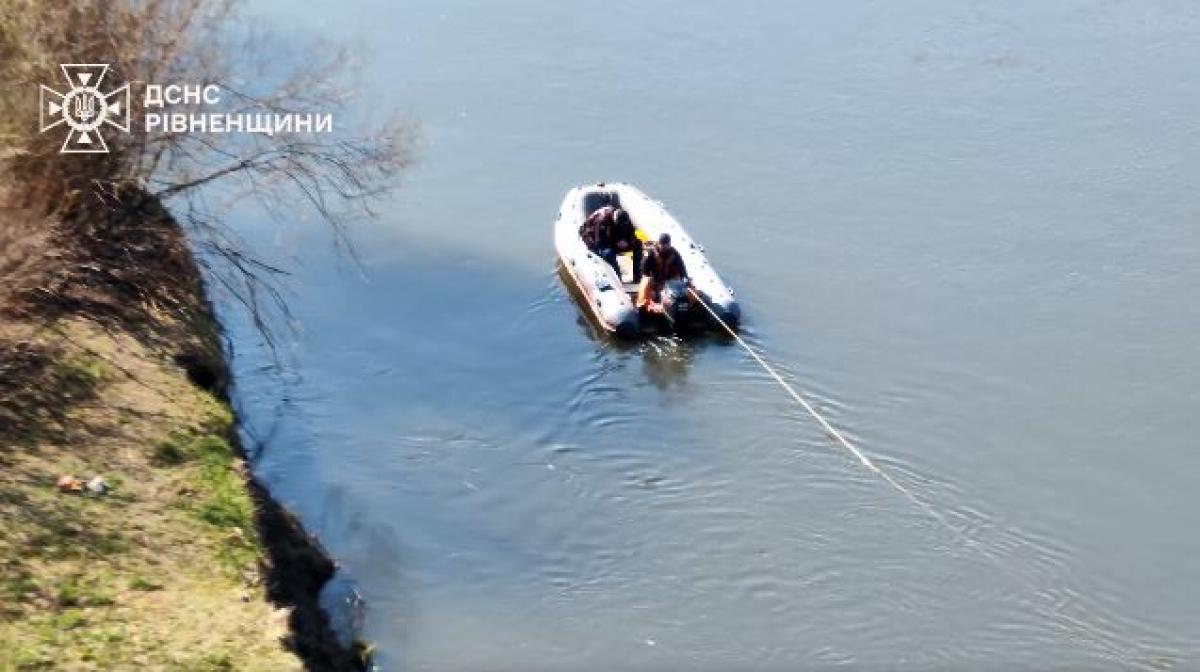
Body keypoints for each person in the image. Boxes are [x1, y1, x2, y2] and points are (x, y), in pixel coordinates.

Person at [636, 233, 689, 315]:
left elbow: (681, 268)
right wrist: (653, 284)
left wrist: (685, 279)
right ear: (658, 243)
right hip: (654, 281)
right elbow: (644, 271)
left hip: (668, 282)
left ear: (669, 244)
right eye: (662, 244)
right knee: (646, 280)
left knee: (681, 281)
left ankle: (678, 305)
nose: (664, 246)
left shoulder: (674, 253)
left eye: (666, 244)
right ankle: (642, 305)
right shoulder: (650, 254)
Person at [601, 209, 643, 282]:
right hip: (610, 245)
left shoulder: (626, 220)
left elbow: (632, 233)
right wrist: (615, 243)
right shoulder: (605, 221)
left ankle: (637, 276)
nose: (621, 226)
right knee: (608, 253)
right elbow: (602, 240)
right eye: (619, 224)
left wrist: (628, 241)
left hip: (624, 243)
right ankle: (618, 278)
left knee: (638, 244)